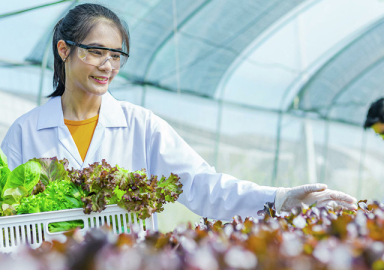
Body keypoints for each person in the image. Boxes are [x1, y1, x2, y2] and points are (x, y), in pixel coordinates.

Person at [0, 4, 357, 221]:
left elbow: (203, 186)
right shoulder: (25, 131)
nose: (107, 65)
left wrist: (278, 199)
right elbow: (9, 212)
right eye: (96, 51)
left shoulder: (142, 126)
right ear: (64, 50)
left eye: (116, 55)